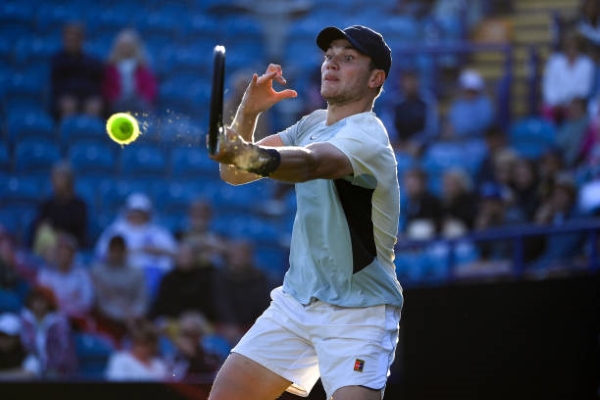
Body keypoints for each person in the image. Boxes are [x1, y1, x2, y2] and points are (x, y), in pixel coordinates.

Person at [208, 25, 403, 400]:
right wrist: (248, 112)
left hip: (359, 314)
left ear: (375, 78)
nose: (331, 63)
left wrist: (245, 152)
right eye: (330, 55)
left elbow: (310, 164)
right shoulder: (312, 123)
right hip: (297, 302)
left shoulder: (368, 137)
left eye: (348, 58)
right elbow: (233, 171)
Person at [91, 235, 148, 344]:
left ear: (125, 251)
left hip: (133, 320)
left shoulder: (136, 272)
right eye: (113, 250)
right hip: (108, 320)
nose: (116, 254)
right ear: (108, 251)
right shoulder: (97, 272)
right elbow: (99, 303)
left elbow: (142, 300)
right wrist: (123, 317)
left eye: (119, 250)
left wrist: (135, 315)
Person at [212, 240, 271, 345]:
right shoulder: (221, 276)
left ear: (249, 257)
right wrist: (230, 323)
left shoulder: (259, 277)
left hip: (253, 323)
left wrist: (257, 324)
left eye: (242, 254)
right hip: (228, 324)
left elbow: (263, 302)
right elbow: (222, 303)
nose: (238, 258)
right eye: (235, 254)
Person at [149, 240, 218, 324]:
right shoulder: (168, 278)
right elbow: (162, 304)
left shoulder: (205, 277)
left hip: (200, 318)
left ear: (195, 257)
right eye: (181, 255)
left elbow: (210, 302)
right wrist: (181, 315)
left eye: (188, 255)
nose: (185, 259)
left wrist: (195, 315)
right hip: (174, 319)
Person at [50, 22, 104, 121]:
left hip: (88, 96)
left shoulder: (92, 61)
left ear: (81, 40)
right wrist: (63, 98)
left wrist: (94, 98)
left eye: (75, 38)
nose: (72, 41)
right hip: (66, 97)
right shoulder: (57, 60)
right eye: (69, 38)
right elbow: (56, 86)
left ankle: (91, 134)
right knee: (68, 105)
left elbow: (97, 85)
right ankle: (66, 134)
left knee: (94, 105)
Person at [36, 233, 94, 326]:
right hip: (52, 319)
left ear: (73, 254)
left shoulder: (82, 275)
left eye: (67, 251)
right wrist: (70, 300)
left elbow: (87, 303)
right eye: (60, 250)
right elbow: (42, 300)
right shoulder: (46, 273)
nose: (63, 254)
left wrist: (63, 306)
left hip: (77, 320)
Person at [20, 286, 78, 378]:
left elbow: (65, 347)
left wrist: (54, 365)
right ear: (30, 301)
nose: (39, 303)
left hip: (56, 367)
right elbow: (24, 344)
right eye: (36, 300)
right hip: (31, 365)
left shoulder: (59, 321)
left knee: (52, 375)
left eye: (43, 300)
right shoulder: (24, 320)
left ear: (49, 302)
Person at [32, 161, 88, 252]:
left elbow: (77, 232)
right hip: (49, 247)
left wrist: (57, 231)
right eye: (54, 178)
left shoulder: (79, 205)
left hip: (71, 246)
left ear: (69, 181)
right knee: (44, 235)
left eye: (59, 178)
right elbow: (37, 226)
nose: (54, 182)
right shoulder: (47, 205)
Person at [541, 31, 594, 126]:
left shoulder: (587, 63)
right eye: (569, 46)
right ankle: (551, 138)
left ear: (579, 47)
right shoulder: (554, 61)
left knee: (576, 111)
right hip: (556, 103)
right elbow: (549, 86)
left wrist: (569, 103)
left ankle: (569, 138)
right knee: (547, 109)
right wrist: (556, 102)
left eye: (574, 47)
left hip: (576, 103)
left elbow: (584, 89)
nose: (571, 50)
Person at [102, 28, 158, 115]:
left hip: (138, 101)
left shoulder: (142, 67)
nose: (125, 48)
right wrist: (113, 99)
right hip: (118, 102)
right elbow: (107, 87)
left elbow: (149, 87)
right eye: (123, 46)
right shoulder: (111, 67)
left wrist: (144, 99)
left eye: (128, 45)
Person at [391, 69, 439, 157]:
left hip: (423, 147)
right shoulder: (394, 103)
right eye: (407, 81)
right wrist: (399, 144)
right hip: (399, 146)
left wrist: (418, 142)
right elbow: (388, 127)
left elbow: (432, 129)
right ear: (402, 83)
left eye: (413, 80)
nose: (410, 84)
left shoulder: (427, 101)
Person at [104, 319, 169, 381]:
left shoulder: (159, 365)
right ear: (134, 342)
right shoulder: (121, 359)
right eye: (141, 343)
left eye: (149, 344)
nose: (145, 348)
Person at [442, 68, 495, 142]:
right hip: (456, 141)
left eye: (471, 90)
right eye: (466, 90)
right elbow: (449, 121)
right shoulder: (458, 103)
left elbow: (485, 124)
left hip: (478, 141)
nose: (468, 93)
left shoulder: (484, 104)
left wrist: (460, 130)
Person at [0, 313, 40, 380]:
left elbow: (29, 374)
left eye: (7, 336)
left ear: (17, 338)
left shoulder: (27, 355)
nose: (3, 340)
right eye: (0, 336)